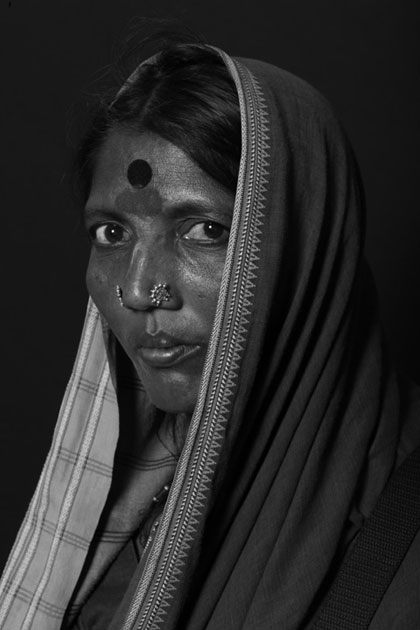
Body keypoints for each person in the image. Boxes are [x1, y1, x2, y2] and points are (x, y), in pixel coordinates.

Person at [0, 40, 419, 630]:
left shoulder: (396, 544)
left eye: (204, 229)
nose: (141, 290)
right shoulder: (102, 504)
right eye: (111, 234)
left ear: (302, 244)